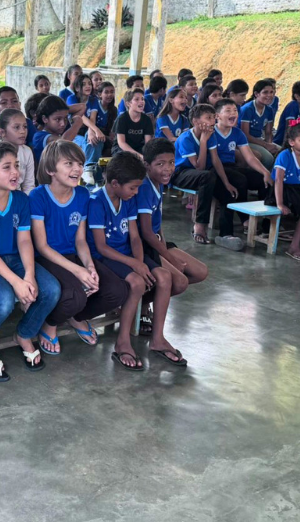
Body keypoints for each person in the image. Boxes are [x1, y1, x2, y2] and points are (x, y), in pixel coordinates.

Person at [0, 142, 60, 380]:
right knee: (5, 300)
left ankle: (25, 333)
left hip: (15, 258)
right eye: (6, 167)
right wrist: (17, 283)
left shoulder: (20, 200)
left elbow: (25, 241)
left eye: (16, 165)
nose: (15, 172)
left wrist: (28, 274)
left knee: (51, 290)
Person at [29, 140, 129, 356]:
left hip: (72, 254)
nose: (77, 169)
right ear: (50, 170)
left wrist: (89, 267)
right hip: (45, 258)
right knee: (75, 295)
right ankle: (50, 323)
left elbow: (80, 240)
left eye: (80, 164)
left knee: (117, 291)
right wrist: (78, 271)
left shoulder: (82, 194)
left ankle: (77, 317)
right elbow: (42, 245)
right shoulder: (38, 196)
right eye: (69, 164)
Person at [135, 138, 208, 355]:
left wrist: (167, 247)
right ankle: (153, 330)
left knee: (200, 272)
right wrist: (170, 257)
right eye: (160, 164)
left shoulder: (160, 183)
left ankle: (141, 303)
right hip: (145, 244)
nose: (167, 168)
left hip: (158, 241)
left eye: (171, 162)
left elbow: (158, 226)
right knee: (180, 281)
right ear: (147, 165)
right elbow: (146, 233)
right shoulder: (145, 188)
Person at [86, 153, 153, 371]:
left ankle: (135, 329)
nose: (135, 193)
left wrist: (139, 262)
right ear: (115, 183)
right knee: (136, 283)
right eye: (132, 188)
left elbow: (134, 237)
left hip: (123, 254)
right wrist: (135, 265)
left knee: (149, 278)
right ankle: (123, 340)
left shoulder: (127, 200)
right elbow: (101, 247)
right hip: (102, 256)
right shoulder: (96, 202)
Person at [209, 99, 273, 242]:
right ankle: (243, 221)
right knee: (239, 181)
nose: (233, 114)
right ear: (217, 116)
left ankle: (266, 225)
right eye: (228, 111)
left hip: (232, 167)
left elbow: (250, 157)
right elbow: (215, 160)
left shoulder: (237, 133)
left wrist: (265, 172)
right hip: (214, 169)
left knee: (265, 182)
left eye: (235, 111)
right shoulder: (211, 132)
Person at [170, 104, 226, 247]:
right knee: (206, 176)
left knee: (227, 179)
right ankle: (200, 225)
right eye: (208, 118)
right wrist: (203, 142)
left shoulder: (210, 134)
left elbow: (215, 160)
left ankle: (227, 230)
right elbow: (199, 166)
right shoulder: (186, 138)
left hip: (200, 175)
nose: (212, 121)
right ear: (195, 122)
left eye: (213, 117)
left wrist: (227, 182)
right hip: (180, 173)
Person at [266, 124, 300, 261]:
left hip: (297, 189)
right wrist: (280, 204)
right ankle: (294, 246)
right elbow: (278, 180)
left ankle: (296, 241)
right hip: (281, 190)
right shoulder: (285, 155)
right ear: (291, 142)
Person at [32, 95, 83, 165]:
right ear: (45, 119)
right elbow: (62, 142)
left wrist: (62, 110)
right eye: (58, 119)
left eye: (65, 118)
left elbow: (83, 107)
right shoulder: (39, 136)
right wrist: (77, 124)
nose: (63, 124)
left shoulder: (59, 133)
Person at [0, 108, 35, 194]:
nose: (22, 131)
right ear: (1, 132)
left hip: (19, 198)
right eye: (17, 127)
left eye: (25, 127)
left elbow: (29, 185)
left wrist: (24, 202)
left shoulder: (27, 152)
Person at [239, 79, 278, 169]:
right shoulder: (248, 109)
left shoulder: (269, 110)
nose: (270, 95)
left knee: (282, 152)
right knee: (268, 159)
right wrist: (265, 145)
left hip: (260, 140)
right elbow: (245, 135)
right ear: (256, 94)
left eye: (272, 92)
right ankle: (261, 179)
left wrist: (269, 144)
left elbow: (268, 132)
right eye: (265, 92)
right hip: (246, 141)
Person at [113, 88, 155, 158]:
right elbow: (121, 143)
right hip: (121, 149)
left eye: (142, 99)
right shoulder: (122, 119)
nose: (141, 101)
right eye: (137, 99)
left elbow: (148, 143)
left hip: (139, 148)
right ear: (128, 103)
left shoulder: (146, 120)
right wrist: (138, 155)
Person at [274, 80, 300, 146]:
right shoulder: (293, 105)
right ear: (297, 96)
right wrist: (286, 147)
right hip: (281, 143)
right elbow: (289, 128)